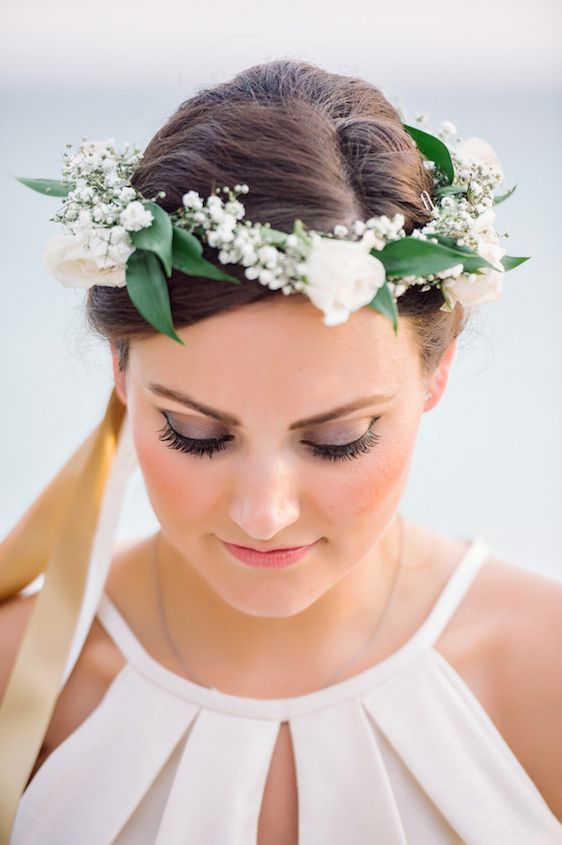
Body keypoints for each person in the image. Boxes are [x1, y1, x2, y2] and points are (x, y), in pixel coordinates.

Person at [1, 59, 561, 844]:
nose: (263, 513)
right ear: (122, 371)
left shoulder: (548, 668)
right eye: (195, 434)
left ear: (438, 369)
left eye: (338, 440)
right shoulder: (18, 678)